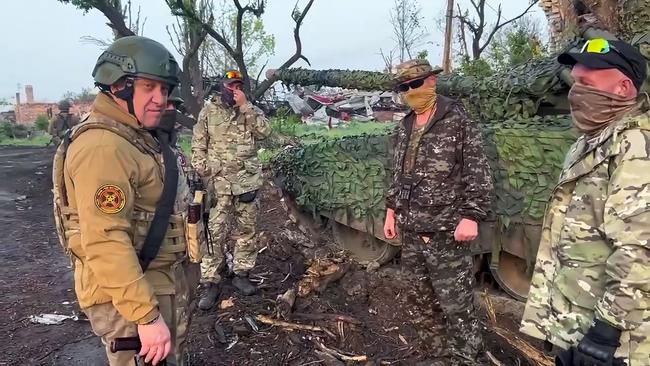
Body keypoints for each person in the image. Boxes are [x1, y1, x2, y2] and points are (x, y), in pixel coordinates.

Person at [51, 35, 201, 366]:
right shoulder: (104, 148)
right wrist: (146, 317)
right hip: (133, 296)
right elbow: (105, 241)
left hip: (151, 282)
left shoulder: (134, 137)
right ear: (118, 86)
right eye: (149, 87)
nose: (160, 99)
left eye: (164, 89)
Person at [520, 38, 650, 366]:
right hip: (578, 320)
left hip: (616, 339)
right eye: (574, 81)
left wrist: (606, 332)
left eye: (585, 82)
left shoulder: (635, 145)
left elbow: (639, 250)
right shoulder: (589, 141)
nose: (575, 90)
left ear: (622, 88)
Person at [383, 59, 493, 365]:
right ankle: (436, 354)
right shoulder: (405, 125)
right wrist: (391, 212)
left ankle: (468, 358)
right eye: (404, 87)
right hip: (411, 228)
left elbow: (477, 170)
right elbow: (397, 173)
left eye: (415, 84)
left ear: (432, 81)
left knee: (456, 305)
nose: (410, 92)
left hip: (446, 230)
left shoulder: (457, 119)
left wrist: (471, 215)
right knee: (419, 299)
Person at [191, 70, 270, 310]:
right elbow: (197, 145)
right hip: (218, 185)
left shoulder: (250, 110)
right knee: (214, 233)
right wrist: (205, 170)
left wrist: (246, 107)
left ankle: (242, 274)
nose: (234, 90)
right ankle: (211, 282)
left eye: (238, 85)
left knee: (248, 230)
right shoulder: (208, 112)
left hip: (246, 182)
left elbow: (266, 133)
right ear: (221, 87)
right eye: (230, 85)